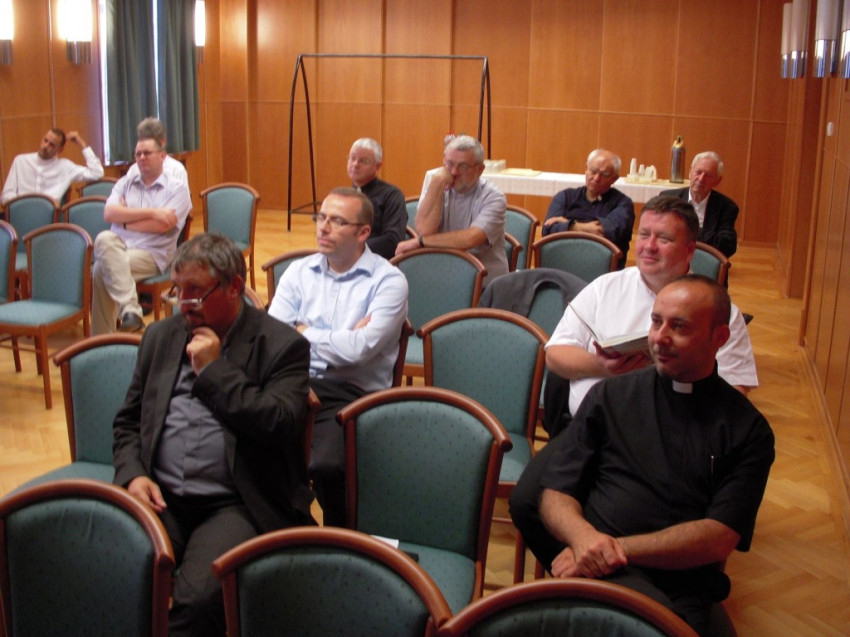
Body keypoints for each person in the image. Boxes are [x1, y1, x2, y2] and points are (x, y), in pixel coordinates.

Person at [510, 275, 775, 635]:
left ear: (720, 338)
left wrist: (608, 550)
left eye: (679, 327)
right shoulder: (610, 396)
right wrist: (583, 538)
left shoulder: (747, 430)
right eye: (656, 322)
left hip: (679, 584)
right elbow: (556, 492)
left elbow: (718, 537)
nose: (659, 338)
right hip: (598, 572)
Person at [113, 233, 314, 637]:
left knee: (199, 600)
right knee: (113, 569)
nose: (184, 303)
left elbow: (279, 423)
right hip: (161, 494)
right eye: (177, 290)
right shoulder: (160, 336)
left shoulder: (281, 345)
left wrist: (214, 370)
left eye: (195, 292)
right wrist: (133, 475)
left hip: (236, 503)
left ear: (234, 286)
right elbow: (128, 422)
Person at [543, 194, 757, 435]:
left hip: (668, 441)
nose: (649, 246)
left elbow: (735, 393)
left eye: (663, 239)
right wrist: (602, 366)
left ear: (689, 251)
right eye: (644, 235)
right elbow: (555, 354)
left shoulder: (718, 311)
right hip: (586, 432)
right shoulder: (605, 287)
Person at [268, 187, 408, 526]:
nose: (323, 227)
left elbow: (357, 351)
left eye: (337, 221)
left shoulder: (389, 281)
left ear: (363, 232)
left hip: (353, 394)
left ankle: (341, 537)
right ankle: (288, 529)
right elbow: (273, 337)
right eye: (321, 217)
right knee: (251, 447)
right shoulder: (298, 272)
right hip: (295, 383)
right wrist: (340, 338)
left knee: (327, 466)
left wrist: (302, 330)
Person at [91, 132, 192, 334]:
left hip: (152, 254)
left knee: (101, 269)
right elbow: (109, 214)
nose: (142, 158)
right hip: (118, 247)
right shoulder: (125, 183)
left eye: (147, 153)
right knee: (104, 238)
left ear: (162, 156)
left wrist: (124, 220)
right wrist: (153, 212)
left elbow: (163, 226)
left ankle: (102, 340)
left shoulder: (177, 188)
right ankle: (130, 312)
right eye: (138, 154)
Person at [395, 134, 508, 286]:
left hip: (484, 282)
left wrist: (421, 242)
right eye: (449, 164)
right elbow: (424, 230)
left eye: (463, 166)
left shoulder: (493, 197)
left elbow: (469, 239)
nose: (454, 172)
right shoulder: (438, 184)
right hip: (442, 275)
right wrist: (436, 183)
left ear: (480, 170)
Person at [542, 148, 635, 268]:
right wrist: (580, 226)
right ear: (586, 169)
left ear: (614, 179)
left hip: (602, 268)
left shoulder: (623, 204)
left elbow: (605, 231)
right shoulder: (565, 196)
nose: (596, 178)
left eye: (605, 175)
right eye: (593, 171)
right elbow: (548, 230)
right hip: (563, 261)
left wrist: (567, 224)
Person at [661, 151, 738, 258]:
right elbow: (660, 232)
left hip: (705, 261)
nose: (701, 179)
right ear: (690, 172)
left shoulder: (727, 207)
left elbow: (727, 245)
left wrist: (687, 229)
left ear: (717, 181)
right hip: (671, 257)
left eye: (708, 175)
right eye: (698, 172)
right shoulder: (668, 198)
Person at [1, 128, 104, 204]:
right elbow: (6, 195)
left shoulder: (65, 167)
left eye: (52, 145)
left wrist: (82, 144)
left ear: (60, 150)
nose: (46, 146)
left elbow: (97, 173)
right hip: (22, 214)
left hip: (50, 219)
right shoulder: (20, 161)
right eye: (45, 140)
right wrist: (20, 204)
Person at [347, 138, 407, 259]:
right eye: (352, 158)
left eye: (363, 161)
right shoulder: (342, 196)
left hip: (377, 262)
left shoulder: (392, 195)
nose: (355, 164)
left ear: (378, 166)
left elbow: (393, 240)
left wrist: (353, 248)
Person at [125, 116, 189, 185]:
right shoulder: (133, 171)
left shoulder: (177, 170)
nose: (142, 157)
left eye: (148, 152)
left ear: (163, 142)